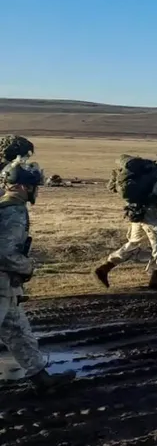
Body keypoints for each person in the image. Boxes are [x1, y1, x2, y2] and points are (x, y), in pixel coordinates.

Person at [0, 157, 76, 392]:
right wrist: (27, 267)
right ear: (24, 186)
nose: (36, 191)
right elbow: (4, 252)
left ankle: (40, 377)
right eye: (34, 186)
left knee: (18, 330)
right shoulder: (13, 210)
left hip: (6, 285)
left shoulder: (6, 206)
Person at [94, 141, 157, 290]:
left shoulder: (154, 168)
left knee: (134, 243)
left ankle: (105, 268)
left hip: (137, 212)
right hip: (151, 214)